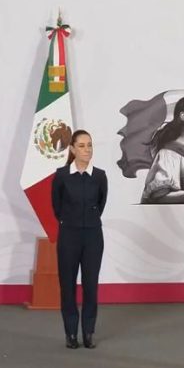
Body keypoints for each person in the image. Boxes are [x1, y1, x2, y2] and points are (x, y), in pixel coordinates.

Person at [50, 130, 107, 349]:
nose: (87, 149)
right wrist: (71, 221)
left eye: (89, 145)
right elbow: (57, 207)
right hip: (69, 236)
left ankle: (89, 332)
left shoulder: (100, 176)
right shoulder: (62, 176)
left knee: (91, 286)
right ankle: (71, 333)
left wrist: (88, 221)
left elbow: (100, 204)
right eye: (82, 146)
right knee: (68, 286)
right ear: (73, 149)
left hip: (93, 236)